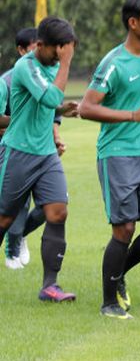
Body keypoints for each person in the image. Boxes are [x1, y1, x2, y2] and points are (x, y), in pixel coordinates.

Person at [79, 0, 140, 320]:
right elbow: (86, 107)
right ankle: (109, 303)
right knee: (124, 229)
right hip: (117, 156)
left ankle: (118, 273)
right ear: (133, 23)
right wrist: (133, 116)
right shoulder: (114, 63)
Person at [0, 16, 77, 302]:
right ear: (40, 45)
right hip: (18, 152)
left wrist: (63, 111)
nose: (60, 54)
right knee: (5, 217)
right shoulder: (25, 67)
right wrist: (67, 64)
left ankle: (49, 286)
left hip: (46, 155)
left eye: (64, 49)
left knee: (57, 212)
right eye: (57, 48)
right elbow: (47, 98)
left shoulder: (51, 65)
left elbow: (50, 104)